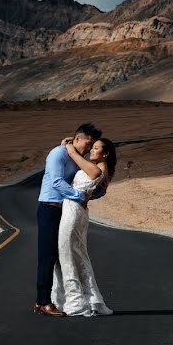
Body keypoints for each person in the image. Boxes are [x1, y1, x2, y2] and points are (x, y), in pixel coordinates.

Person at [33, 123, 102, 317]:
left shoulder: (75, 156)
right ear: (77, 138)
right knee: (47, 256)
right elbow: (56, 182)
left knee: (59, 256)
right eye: (88, 144)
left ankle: (52, 299)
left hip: (64, 211)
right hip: (49, 208)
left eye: (92, 146)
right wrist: (80, 198)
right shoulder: (58, 153)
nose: (89, 149)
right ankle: (43, 302)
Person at [51, 138, 116, 317]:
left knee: (67, 254)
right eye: (92, 148)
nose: (91, 151)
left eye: (96, 148)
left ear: (106, 153)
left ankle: (76, 303)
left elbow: (73, 156)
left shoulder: (96, 169)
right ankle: (92, 299)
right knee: (76, 255)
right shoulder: (100, 169)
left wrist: (69, 149)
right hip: (76, 211)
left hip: (72, 212)